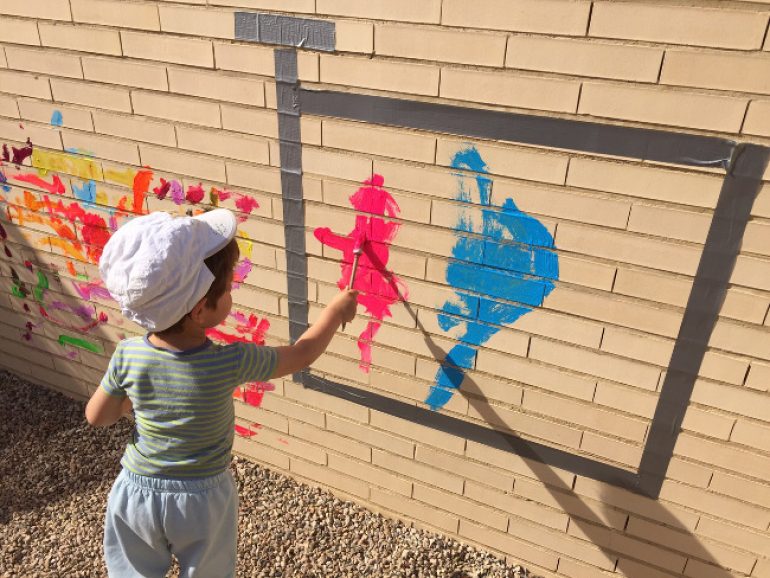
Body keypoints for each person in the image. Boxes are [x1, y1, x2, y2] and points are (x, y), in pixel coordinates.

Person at [84, 209, 358, 577]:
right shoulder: (231, 361)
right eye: (228, 289)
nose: (231, 294)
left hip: (135, 494)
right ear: (199, 311)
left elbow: (97, 416)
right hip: (202, 500)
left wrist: (133, 399)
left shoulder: (127, 355)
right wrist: (335, 312)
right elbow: (303, 353)